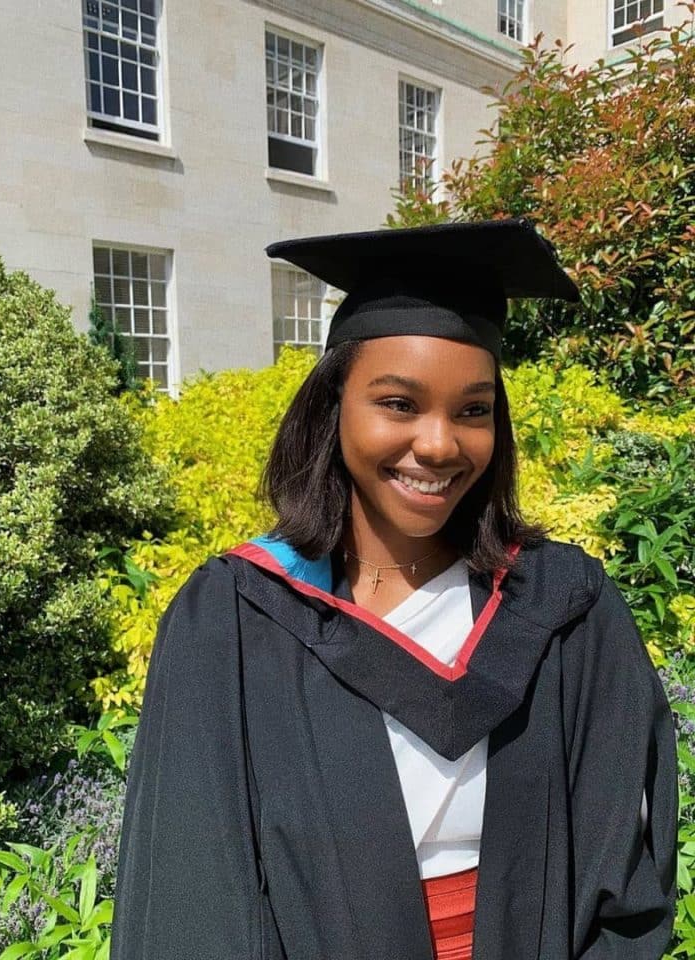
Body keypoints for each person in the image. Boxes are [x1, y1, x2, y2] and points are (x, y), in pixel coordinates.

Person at [109, 219, 678, 960]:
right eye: (399, 404)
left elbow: (627, 874)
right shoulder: (236, 618)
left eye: (473, 410)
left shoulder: (564, 607)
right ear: (332, 407)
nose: (439, 444)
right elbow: (190, 894)